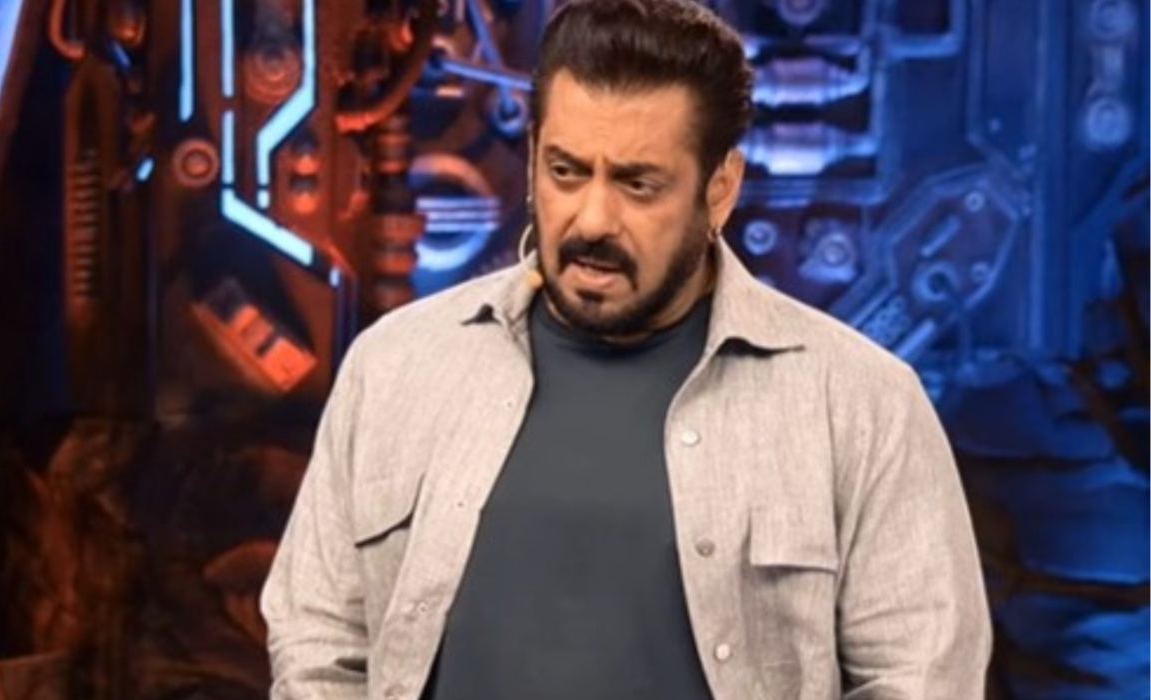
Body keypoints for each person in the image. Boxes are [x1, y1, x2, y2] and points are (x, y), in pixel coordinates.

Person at [260, 0, 992, 698]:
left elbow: (923, 679)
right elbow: (316, 640)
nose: (592, 219)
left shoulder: (861, 405)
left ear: (720, 188)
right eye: (566, 171)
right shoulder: (394, 369)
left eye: (638, 184)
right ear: (533, 156)